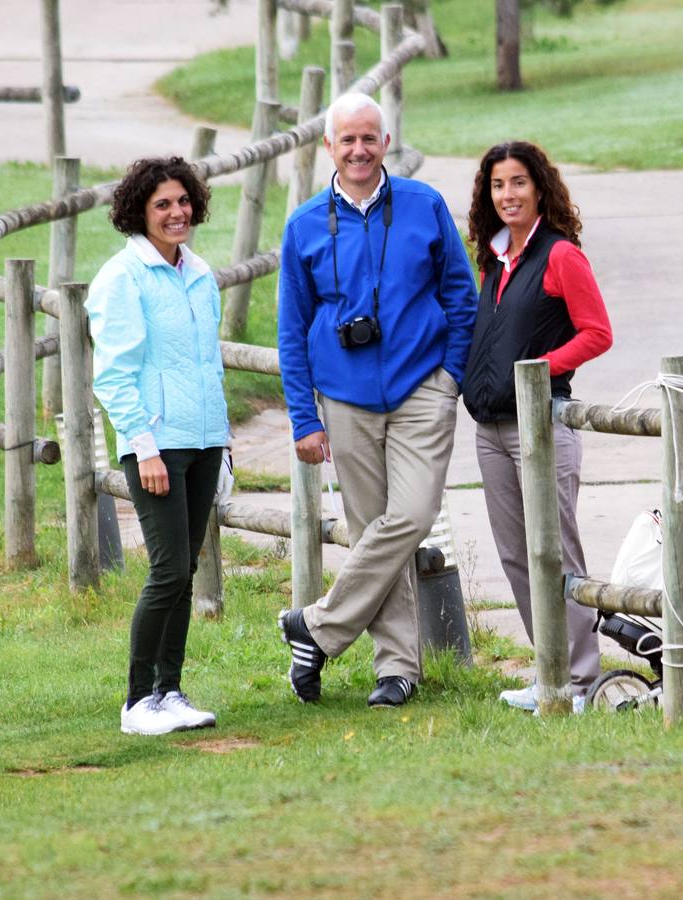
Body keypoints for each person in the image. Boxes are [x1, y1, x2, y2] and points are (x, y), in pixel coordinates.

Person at [277, 92, 478, 708]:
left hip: (422, 388)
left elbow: (461, 297)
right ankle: (397, 669)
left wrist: (449, 377)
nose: (359, 150)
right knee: (372, 532)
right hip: (344, 397)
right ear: (328, 149)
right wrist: (305, 418)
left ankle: (316, 626)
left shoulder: (424, 205)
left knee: (412, 517)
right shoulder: (305, 224)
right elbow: (291, 329)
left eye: (369, 138)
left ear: (385, 143)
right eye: (347, 141)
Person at [464, 141, 613, 713]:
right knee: (516, 556)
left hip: (542, 427)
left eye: (519, 183)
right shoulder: (495, 258)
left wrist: (539, 370)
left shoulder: (560, 256)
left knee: (556, 554)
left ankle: (579, 682)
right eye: (498, 185)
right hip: (491, 430)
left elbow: (597, 332)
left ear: (540, 188)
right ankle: (548, 670)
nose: (508, 195)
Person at [87, 157, 230, 735]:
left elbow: (206, 365)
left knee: (186, 569)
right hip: (157, 446)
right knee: (168, 570)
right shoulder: (121, 279)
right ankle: (135, 702)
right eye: (161, 205)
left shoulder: (199, 272)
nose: (176, 213)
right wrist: (144, 447)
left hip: (203, 441)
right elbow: (114, 375)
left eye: (182, 201)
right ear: (139, 213)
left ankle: (169, 691)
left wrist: (223, 443)